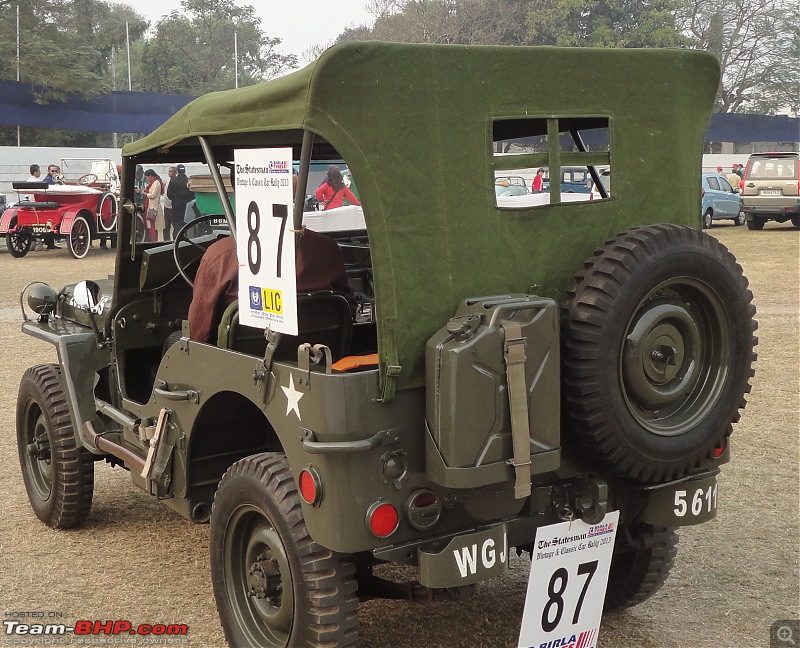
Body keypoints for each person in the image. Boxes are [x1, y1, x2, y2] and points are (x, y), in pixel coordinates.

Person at [188, 229, 353, 344]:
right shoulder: (328, 248)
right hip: (319, 362)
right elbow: (349, 306)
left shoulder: (220, 255)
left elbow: (199, 334)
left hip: (241, 372)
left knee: (174, 341)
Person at [143, 169, 164, 242]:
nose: (147, 179)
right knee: (152, 226)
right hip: (151, 206)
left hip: (153, 207)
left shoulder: (156, 183)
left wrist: (145, 193)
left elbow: (153, 195)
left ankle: (154, 241)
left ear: (151, 176)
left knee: (152, 226)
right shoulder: (154, 183)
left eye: (147, 177)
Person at [162, 166, 177, 240]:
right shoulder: (166, 180)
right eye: (169, 171)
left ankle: (175, 240)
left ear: (175, 172)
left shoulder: (177, 181)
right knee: (166, 226)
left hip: (173, 207)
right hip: (166, 206)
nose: (170, 173)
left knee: (175, 225)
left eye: (172, 171)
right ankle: (166, 241)